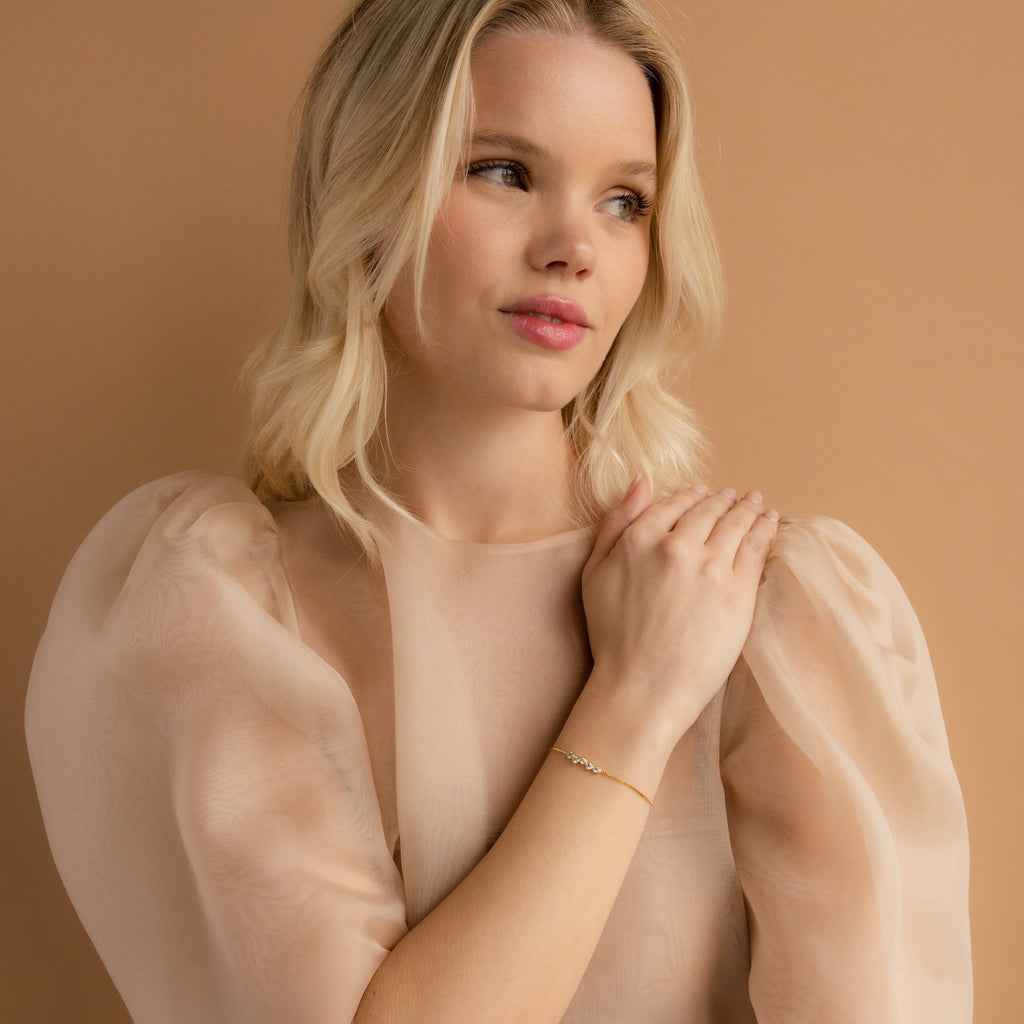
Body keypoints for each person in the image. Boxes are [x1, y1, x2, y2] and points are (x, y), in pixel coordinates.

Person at [25, 0, 972, 1021]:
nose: (574, 246)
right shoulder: (210, 614)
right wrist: (639, 698)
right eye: (504, 172)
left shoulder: (773, 613)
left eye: (624, 201)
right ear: (368, 189)